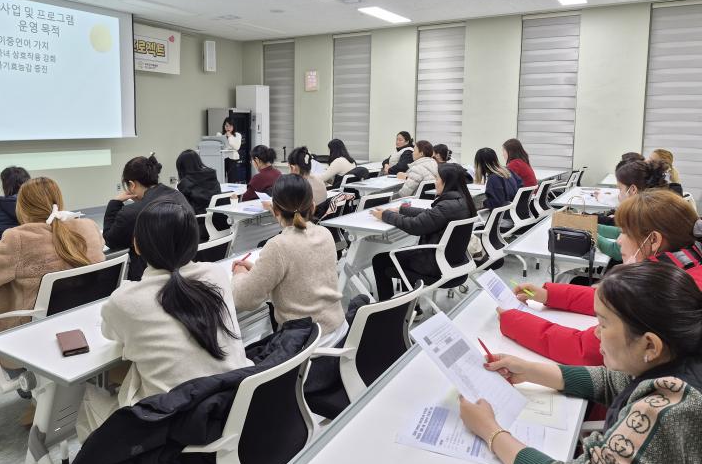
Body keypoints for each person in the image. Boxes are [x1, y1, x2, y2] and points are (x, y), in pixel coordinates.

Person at [460, 262, 702, 464]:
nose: (596, 332)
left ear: (649, 344)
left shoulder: (665, 413)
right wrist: (528, 370)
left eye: (603, 324)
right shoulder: (678, 357)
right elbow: (613, 380)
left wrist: (490, 431)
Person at [77, 200, 251, 442]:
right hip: (230, 409)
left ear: (136, 245)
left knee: (90, 394)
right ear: (195, 241)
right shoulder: (216, 275)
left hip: (168, 426)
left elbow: (109, 333)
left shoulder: (126, 300)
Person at [498, 189, 702, 366]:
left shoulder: (658, 291)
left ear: (654, 240)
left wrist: (511, 318)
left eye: (625, 232)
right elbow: (611, 299)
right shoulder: (687, 266)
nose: (619, 241)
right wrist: (549, 294)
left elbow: (582, 349)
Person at [0, 177, 105, 337]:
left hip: (29, 335)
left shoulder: (20, 239)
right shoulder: (89, 227)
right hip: (84, 324)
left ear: (21, 207)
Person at [231, 174, 347, 347]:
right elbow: (301, 279)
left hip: (306, 346)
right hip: (338, 333)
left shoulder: (278, 246)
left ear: (274, 210)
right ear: (313, 206)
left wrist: (239, 274)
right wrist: (258, 270)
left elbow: (243, 299)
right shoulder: (325, 234)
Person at [370, 163, 478, 301]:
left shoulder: (446, 206)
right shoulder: (463, 202)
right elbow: (432, 215)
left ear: (447, 182)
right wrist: (402, 210)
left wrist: (385, 215)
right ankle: (412, 308)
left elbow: (415, 226)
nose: (435, 181)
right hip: (454, 262)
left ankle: (388, 309)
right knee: (404, 255)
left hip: (434, 266)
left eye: (437, 178)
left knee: (380, 260)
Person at [104, 154, 192, 281]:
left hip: (148, 278)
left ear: (131, 185)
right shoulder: (178, 196)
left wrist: (114, 202)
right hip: (183, 271)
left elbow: (111, 240)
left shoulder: (131, 212)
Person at [596, 158, 673, 261]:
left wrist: (590, 234)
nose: (618, 195)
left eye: (620, 189)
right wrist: (590, 226)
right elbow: (619, 232)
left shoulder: (642, 215)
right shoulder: (653, 207)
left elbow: (617, 250)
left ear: (632, 190)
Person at [175, 149, 222, 216]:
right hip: (218, 216)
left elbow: (184, 207)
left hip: (197, 219)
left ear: (182, 168)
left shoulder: (185, 183)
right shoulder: (211, 174)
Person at [218, 117, 242, 183]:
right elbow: (219, 146)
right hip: (222, 158)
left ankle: (232, 192)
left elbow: (237, 147)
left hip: (233, 159)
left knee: (232, 178)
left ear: (233, 126)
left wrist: (230, 137)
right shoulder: (220, 135)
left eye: (230, 126)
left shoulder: (237, 135)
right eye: (226, 126)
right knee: (221, 177)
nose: (228, 128)